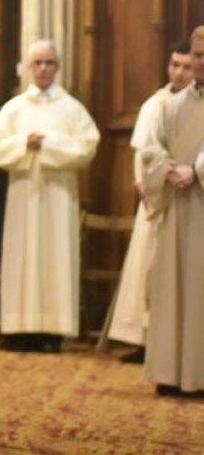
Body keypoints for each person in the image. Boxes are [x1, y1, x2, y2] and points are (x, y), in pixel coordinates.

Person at [0, 40, 99, 352]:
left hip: (59, 196)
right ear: (28, 67)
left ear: (57, 67)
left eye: (49, 63)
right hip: (24, 193)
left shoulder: (71, 108)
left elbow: (87, 145)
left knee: (55, 256)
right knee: (21, 257)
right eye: (38, 63)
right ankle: (19, 329)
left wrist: (47, 145)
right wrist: (23, 143)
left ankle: (52, 331)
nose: (43, 69)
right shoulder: (15, 108)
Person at [108, 41, 194, 361]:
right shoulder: (154, 105)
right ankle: (144, 339)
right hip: (155, 196)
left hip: (187, 193)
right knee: (147, 267)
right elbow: (143, 150)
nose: (180, 72)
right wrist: (144, 182)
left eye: (186, 66)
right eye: (175, 65)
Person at [141, 26, 204, 396]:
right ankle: (172, 372)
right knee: (175, 288)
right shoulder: (173, 105)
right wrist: (166, 168)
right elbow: (151, 148)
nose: (199, 62)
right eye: (197, 55)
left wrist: (194, 171)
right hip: (178, 208)